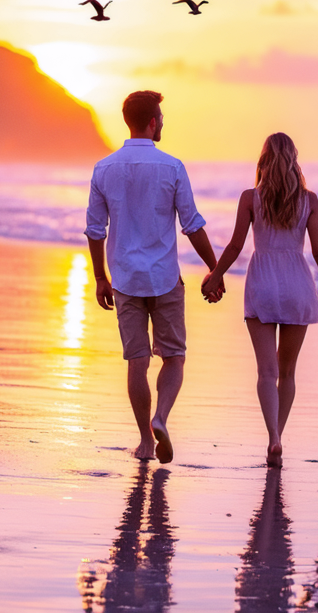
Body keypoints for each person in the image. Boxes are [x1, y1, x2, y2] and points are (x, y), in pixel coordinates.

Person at [85, 90, 219, 464]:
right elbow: (192, 225)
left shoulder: (104, 168)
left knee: (137, 361)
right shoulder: (172, 167)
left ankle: (145, 440)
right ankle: (161, 417)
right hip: (164, 279)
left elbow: (95, 231)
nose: (163, 121)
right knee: (174, 356)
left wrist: (100, 278)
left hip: (125, 280)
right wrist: (214, 269)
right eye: (161, 116)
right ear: (153, 122)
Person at [201, 133, 318, 468]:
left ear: (264, 159)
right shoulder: (309, 200)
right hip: (297, 284)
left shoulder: (250, 198)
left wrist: (216, 276)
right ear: (294, 159)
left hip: (262, 282)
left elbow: (236, 245)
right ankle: (277, 437)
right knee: (287, 371)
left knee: (266, 370)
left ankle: (273, 438)